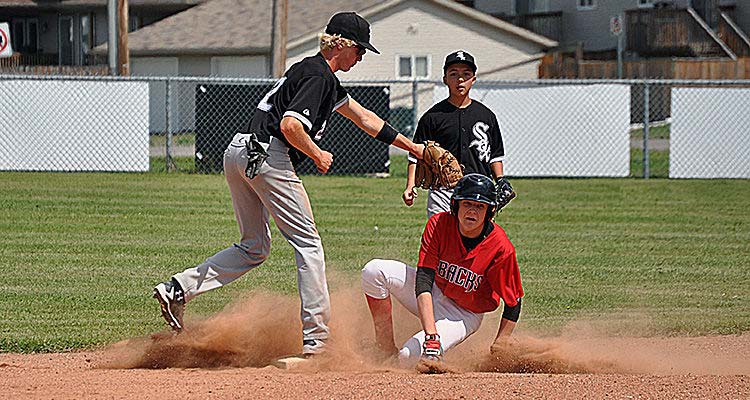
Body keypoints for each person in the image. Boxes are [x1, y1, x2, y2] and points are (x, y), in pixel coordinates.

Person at [153, 12, 424, 357]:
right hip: (269, 154)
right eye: (360, 50)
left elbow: (365, 119)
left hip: (239, 150)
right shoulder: (319, 77)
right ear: (342, 44)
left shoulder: (312, 71)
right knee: (309, 244)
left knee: (254, 246)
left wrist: (413, 147)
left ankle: (179, 288)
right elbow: (290, 125)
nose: (361, 57)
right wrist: (316, 154)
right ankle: (318, 343)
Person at [362, 174, 523, 367]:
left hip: (463, 314)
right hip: (434, 291)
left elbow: (514, 301)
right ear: (455, 205)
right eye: (467, 204)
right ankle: (384, 348)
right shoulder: (439, 224)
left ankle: (423, 350)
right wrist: (431, 337)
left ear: (490, 210)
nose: (472, 211)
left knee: (407, 357)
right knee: (374, 272)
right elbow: (423, 280)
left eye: (480, 206)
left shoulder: (500, 247)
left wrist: (500, 343)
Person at [403, 50, 513, 217]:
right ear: (445, 79)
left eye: (466, 74)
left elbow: (495, 155)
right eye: (453, 74)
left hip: (479, 187)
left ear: (473, 79)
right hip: (442, 189)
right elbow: (415, 153)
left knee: (475, 239)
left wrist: (500, 179)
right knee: (440, 236)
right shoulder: (432, 117)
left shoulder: (486, 116)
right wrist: (410, 185)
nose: (460, 79)